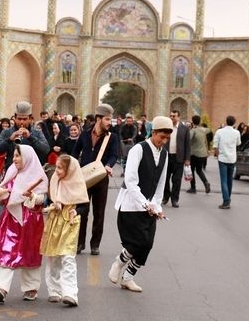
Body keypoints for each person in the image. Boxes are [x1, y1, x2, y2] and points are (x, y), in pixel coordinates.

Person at [108, 116, 172, 292]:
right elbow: (130, 180)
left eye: (167, 138)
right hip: (131, 204)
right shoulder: (139, 149)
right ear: (153, 132)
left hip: (149, 205)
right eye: (162, 137)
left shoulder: (164, 154)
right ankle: (118, 263)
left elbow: (160, 183)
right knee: (138, 242)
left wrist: (156, 206)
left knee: (148, 244)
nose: (164, 141)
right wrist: (145, 204)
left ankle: (128, 278)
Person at [0, 145, 49, 303]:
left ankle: (31, 288)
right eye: (14, 155)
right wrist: (1, 194)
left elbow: (43, 199)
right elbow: (4, 194)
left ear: (27, 157)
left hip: (31, 221)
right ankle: (1, 287)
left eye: (18, 156)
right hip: (11, 220)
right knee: (5, 250)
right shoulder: (11, 173)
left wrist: (33, 196)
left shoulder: (39, 175)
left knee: (30, 253)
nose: (14, 159)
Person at [40, 155, 89, 307]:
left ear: (70, 170)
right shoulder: (54, 179)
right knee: (53, 256)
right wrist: (52, 205)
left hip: (70, 222)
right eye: (57, 167)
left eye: (61, 168)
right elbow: (49, 199)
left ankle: (70, 293)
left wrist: (76, 212)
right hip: (55, 221)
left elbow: (84, 206)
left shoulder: (78, 183)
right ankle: (54, 290)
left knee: (67, 257)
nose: (57, 170)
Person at [72, 103, 119, 255]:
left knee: (99, 213)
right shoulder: (85, 134)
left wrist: (109, 166)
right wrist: (74, 168)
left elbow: (114, 155)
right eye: (107, 119)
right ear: (98, 119)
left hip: (101, 179)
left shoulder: (112, 137)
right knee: (82, 211)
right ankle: (79, 243)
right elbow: (74, 153)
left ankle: (95, 244)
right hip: (84, 179)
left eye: (110, 120)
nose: (109, 123)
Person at [0, 101, 50, 170]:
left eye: (25, 119)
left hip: (31, 170)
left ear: (30, 119)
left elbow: (46, 149)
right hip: (12, 170)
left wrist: (30, 137)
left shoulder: (37, 132)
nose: (22, 122)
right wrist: (9, 140)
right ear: (15, 118)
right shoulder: (7, 132)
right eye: (19, 119)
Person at [162, 110, 190, 208]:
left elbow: (187, 145)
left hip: (179, 158)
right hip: (167, 156)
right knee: (165, 178)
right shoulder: (166, 128)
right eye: (170, 116)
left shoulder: (185, 129)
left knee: (177, 180)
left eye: (174, 116)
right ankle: (166, 196)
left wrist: (187, 159)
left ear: (178, 117)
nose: (172, 117)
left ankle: (175, 199)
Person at [213, 115, 241, 209]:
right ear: (234, 123)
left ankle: (226, 201)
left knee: (224, 180)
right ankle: (228, 198)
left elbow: (215, 145)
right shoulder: (236, 132)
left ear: (226, 121)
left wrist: (217, 155)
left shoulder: (219, 131)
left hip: (222, 158)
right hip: (232, 158)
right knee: (229, 180)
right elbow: (238, 143)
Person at [187, 115, 211, 194]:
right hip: (203, 154)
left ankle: (193, 188)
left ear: (192, 121)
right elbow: (209, 130)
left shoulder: (193, 131)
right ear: (200, 121)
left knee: (192, 171)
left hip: (194, 154)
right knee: (199, 170)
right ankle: (206, 182)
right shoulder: (203, 130)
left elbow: (188, 139)